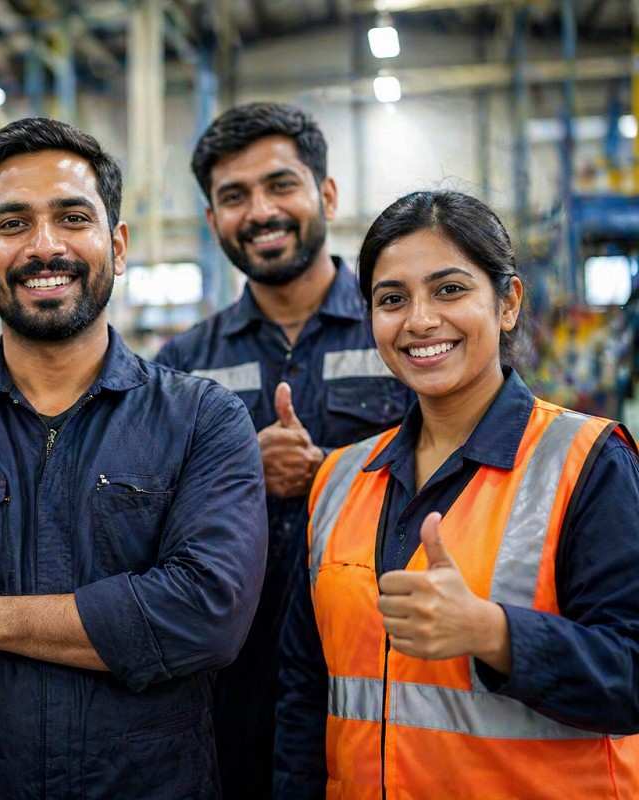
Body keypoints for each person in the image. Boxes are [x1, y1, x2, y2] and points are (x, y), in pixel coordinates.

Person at [0, 117, 268, 799]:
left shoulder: (201, 420)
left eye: (72, 218)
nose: (45, 247)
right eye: (12, 225)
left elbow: (209, 615)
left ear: (116, 246)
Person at [275, 190, 639, 798]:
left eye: (449, 289)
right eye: (392, 299)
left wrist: (496, 634)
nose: (419, 320)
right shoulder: (338, 479)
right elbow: (304, 692)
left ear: (507, 303)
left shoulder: (587, 462)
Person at [154, 102, 409, 797]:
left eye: (280, 185)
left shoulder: (400, 331)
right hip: (233, 679)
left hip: (384, 660)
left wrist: (330, 473)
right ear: (212, 222)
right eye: (234, 197)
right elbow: (148, 519)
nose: (260, 211)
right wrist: (241, 473)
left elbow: (457, 473)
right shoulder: (181, 364)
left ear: (325, 194)